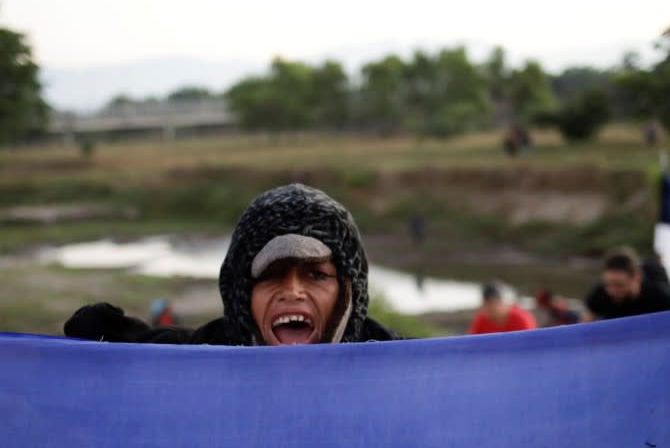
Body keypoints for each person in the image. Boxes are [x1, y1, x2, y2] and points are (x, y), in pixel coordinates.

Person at [64, 184, 399, 345]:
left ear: (347, 293)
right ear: (242, 294)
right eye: (270, 276)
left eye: (316, 275)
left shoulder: (399, 368)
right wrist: (110, 347)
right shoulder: (209, 354)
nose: (293, 291)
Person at [583, 247, 670, 322]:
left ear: (637, 277)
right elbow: (585, 327)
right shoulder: (600, 293)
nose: (612, 290)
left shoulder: (658, 294)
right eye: (608, 284)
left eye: (619, 285)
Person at [468, 280, 537, 334]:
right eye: (487, 304)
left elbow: (532, 343)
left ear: (503, 302)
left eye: (493, 303)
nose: (491, 307)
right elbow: (472, 345)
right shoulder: (481, 319)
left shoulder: (521, 319)